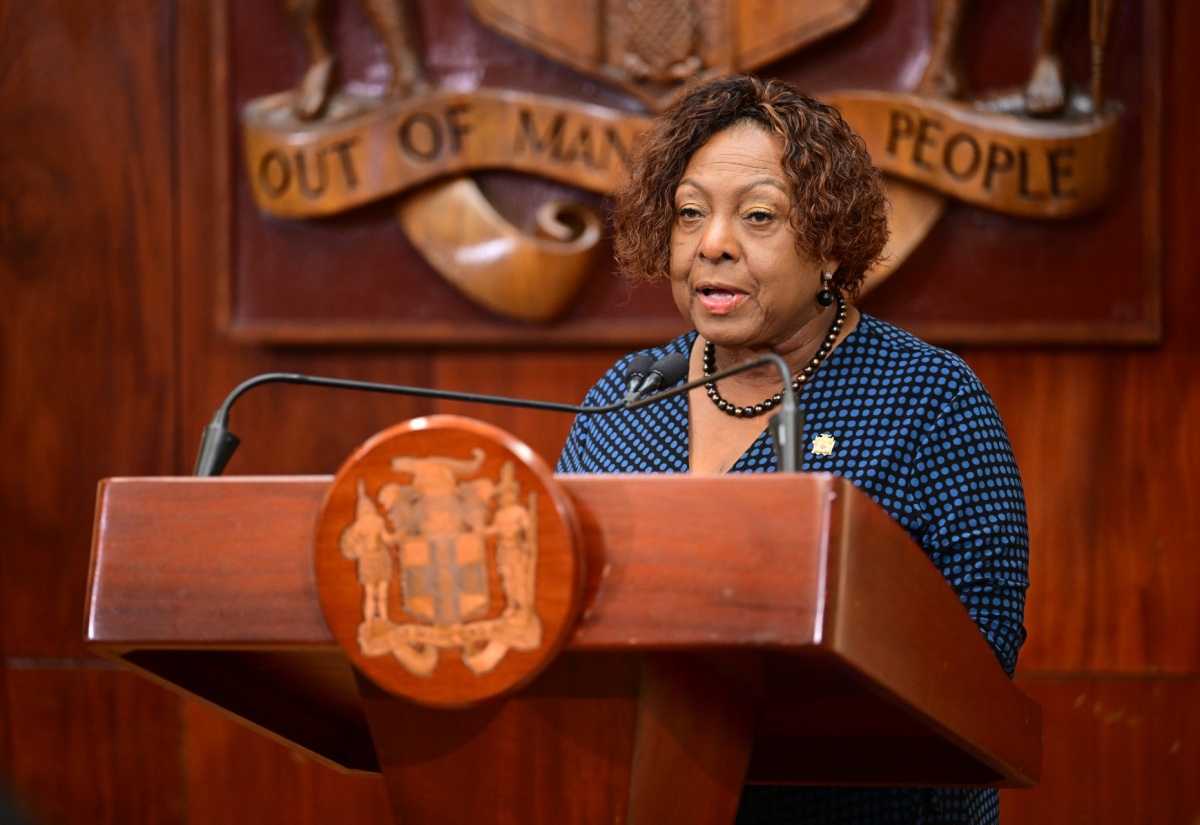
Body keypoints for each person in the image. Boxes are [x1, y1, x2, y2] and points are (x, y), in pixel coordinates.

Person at [557, 74, 1029, 824]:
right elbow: (561, 609)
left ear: (831, 245)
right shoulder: (629, 395)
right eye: (689, 213)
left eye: (758, 216)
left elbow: (980, 655)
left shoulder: (929, 399)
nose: (713, 243)